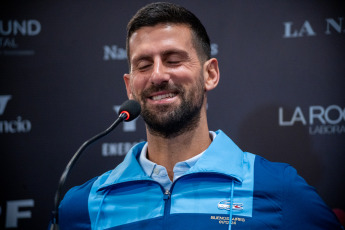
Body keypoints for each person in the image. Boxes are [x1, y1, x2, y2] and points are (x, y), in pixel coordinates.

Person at [55, 2, 342, 229]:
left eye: (173, 60)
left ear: (210, 74)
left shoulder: (279, 189)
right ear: (130, 86)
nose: (157, 75)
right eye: (143, 65)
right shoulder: (83, 205)